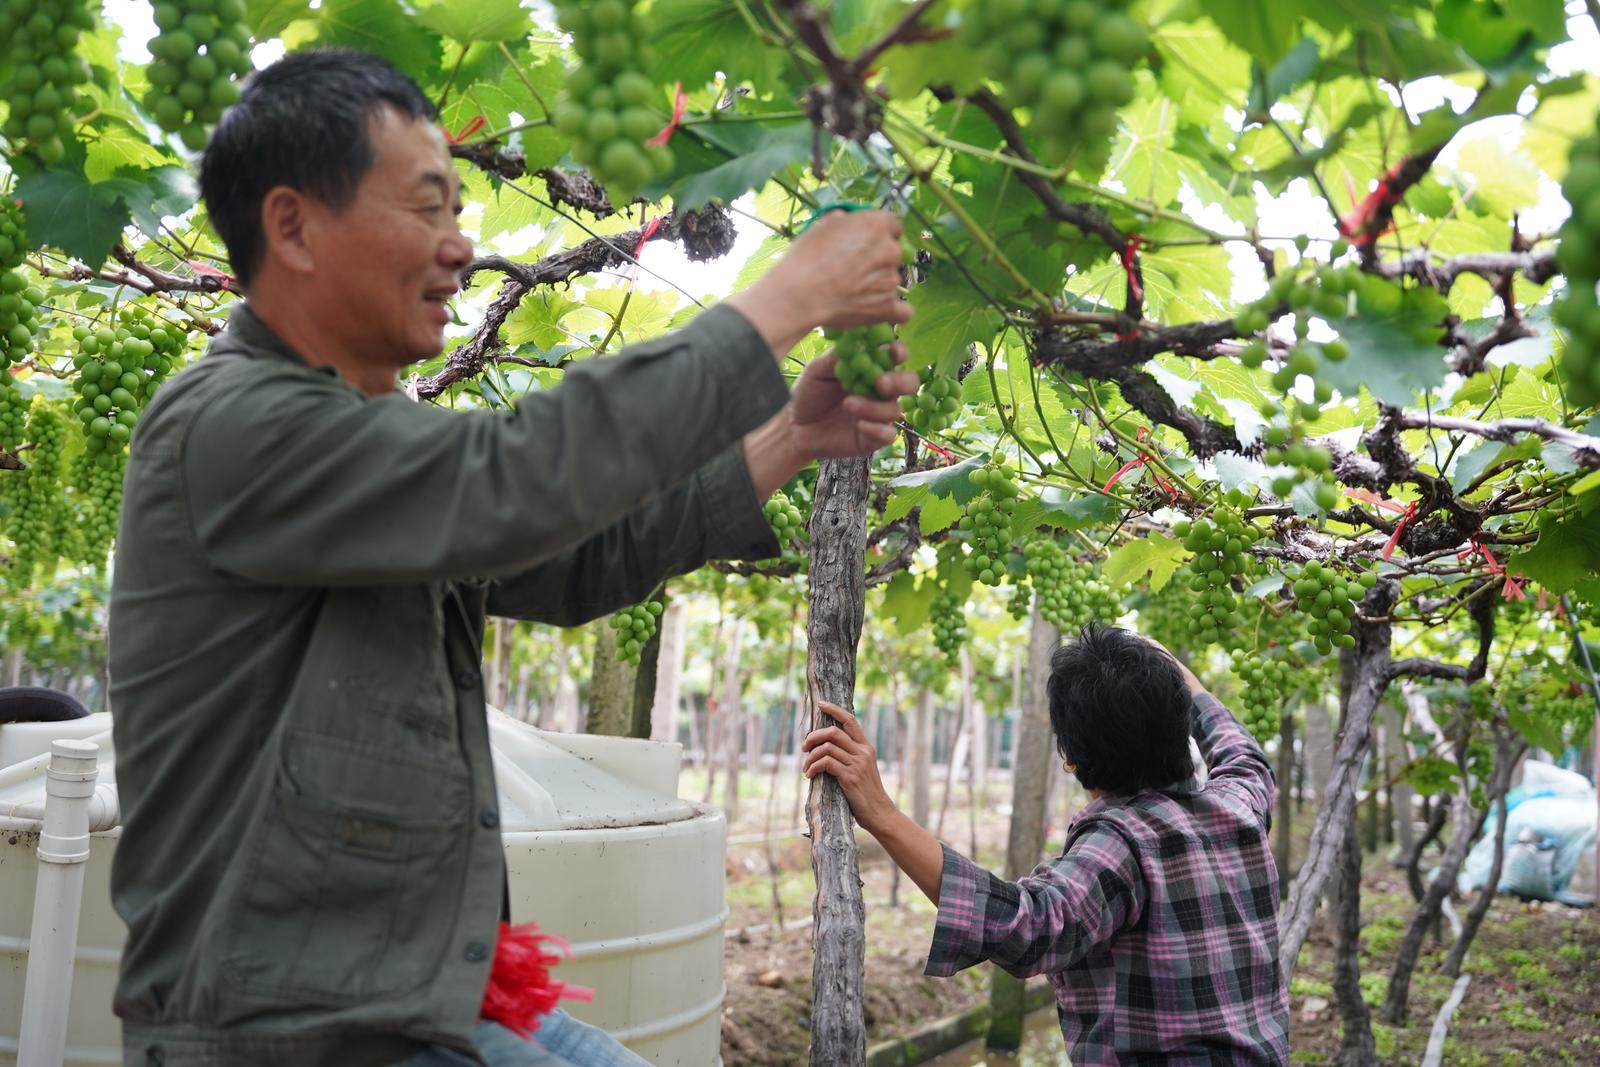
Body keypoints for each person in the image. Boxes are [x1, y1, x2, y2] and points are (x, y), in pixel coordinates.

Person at [107, 49, 916, 1067]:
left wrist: (787, 439)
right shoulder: (232, 425)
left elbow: (578, 555)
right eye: (427, 208)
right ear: (292, 224)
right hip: (288, 1032)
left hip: (419, 997)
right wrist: (782, 300)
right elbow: (517, 476)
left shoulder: (362, 448)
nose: (460, 246)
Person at [802, 624, 1290, 1065]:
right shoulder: (1239, 806)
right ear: (1181, 725)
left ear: (1071, 760)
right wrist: (1172, 670)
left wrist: (882, 814)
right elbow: (1243, 754)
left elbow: (1028, 926)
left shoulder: (1121, 844)